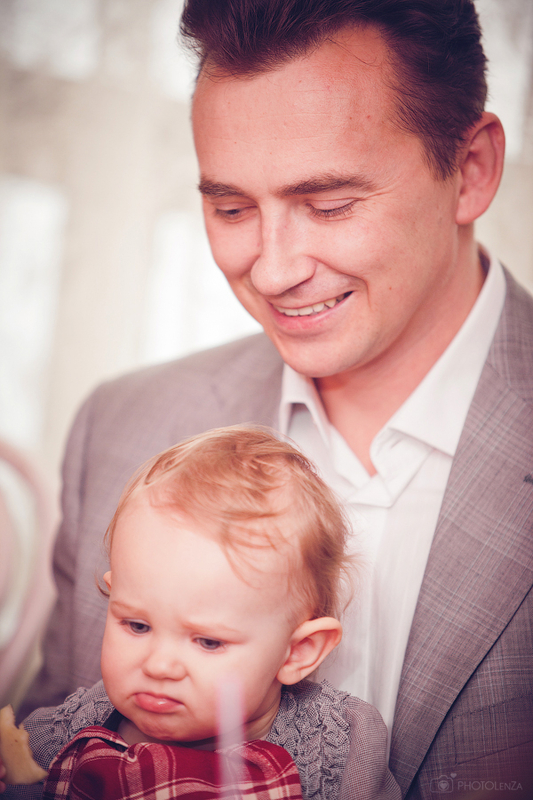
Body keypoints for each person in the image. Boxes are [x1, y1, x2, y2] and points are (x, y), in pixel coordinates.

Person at [15, 1, 533, 798]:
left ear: (470, 170)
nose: (272, 270)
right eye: (231, 208)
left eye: (329, 205)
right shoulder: (118, 430)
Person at [2, 426, 400, 800]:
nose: (159, 666)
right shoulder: (57, 737)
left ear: (298, 651)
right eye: (137, 625)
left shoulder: (338, 750)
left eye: (208, 642)